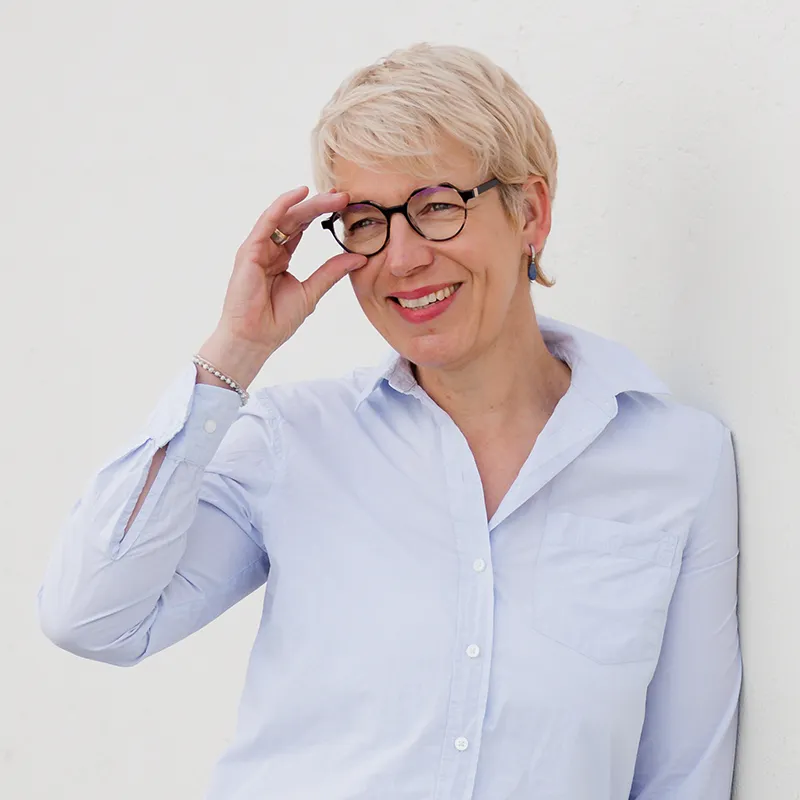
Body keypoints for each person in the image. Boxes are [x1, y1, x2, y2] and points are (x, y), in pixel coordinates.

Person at [37, 43, 741, 800]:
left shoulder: (678, 461)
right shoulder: (290, 441)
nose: (401, 259)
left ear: (530, 212)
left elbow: (683, 773)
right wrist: (235, 352)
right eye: (367, 222)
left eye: (437, 206)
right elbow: (93, 618)